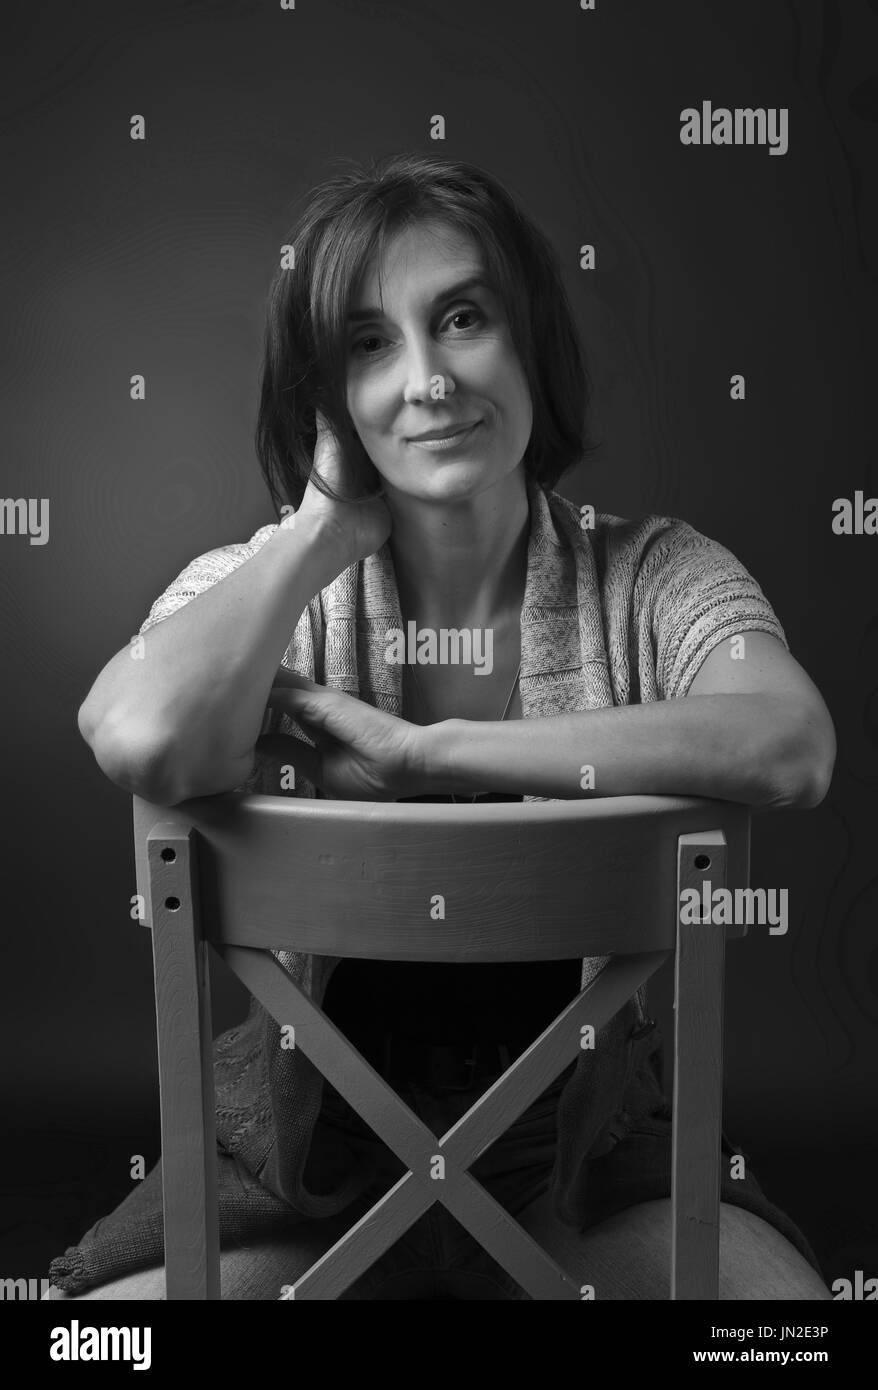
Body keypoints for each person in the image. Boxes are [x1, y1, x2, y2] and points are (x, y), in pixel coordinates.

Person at [46, 153, 836, 1300]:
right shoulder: (258, 590)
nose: (424, 381)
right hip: (298, 1148)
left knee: (783, 1332)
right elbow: (138, 737)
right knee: (95, 1341)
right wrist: (318, 534)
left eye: (460, 318)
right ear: (322, 391)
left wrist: (425, 754)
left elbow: (788, 742)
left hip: (588, 1154)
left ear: (529, 342)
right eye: (366, 343)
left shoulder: (659, 573)